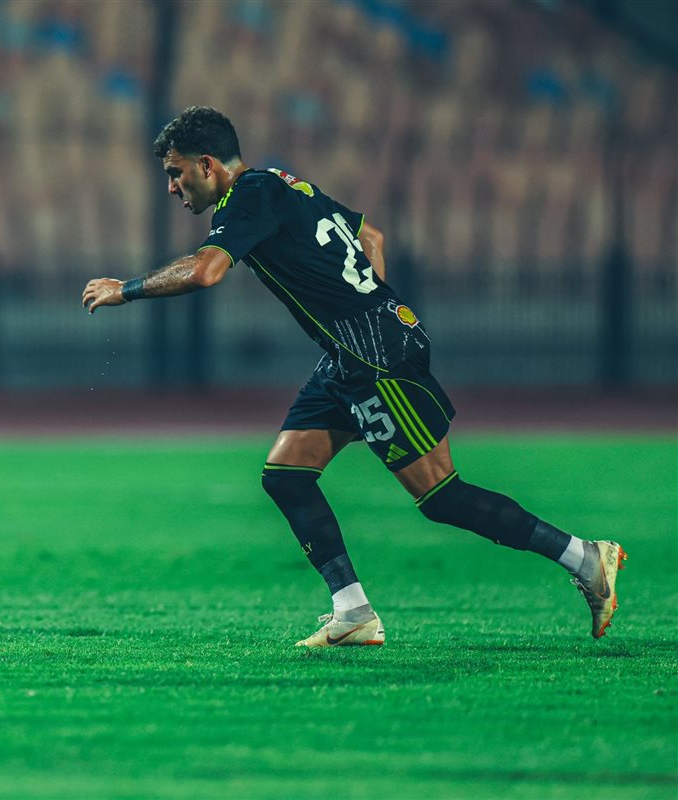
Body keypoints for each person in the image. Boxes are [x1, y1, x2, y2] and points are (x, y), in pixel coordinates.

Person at [82, 106, 625, 648]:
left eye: (175, 173)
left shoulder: (246, 197)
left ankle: (584, 557)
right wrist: (370, 308)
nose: (172, 187)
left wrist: (124, 289)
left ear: (207, 164)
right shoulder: (282, 182)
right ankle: (353, 612)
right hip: (351, 354)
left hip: (375, 358)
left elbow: (205, 272)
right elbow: (373, 238)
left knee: (441, 495)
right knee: (286, 476)